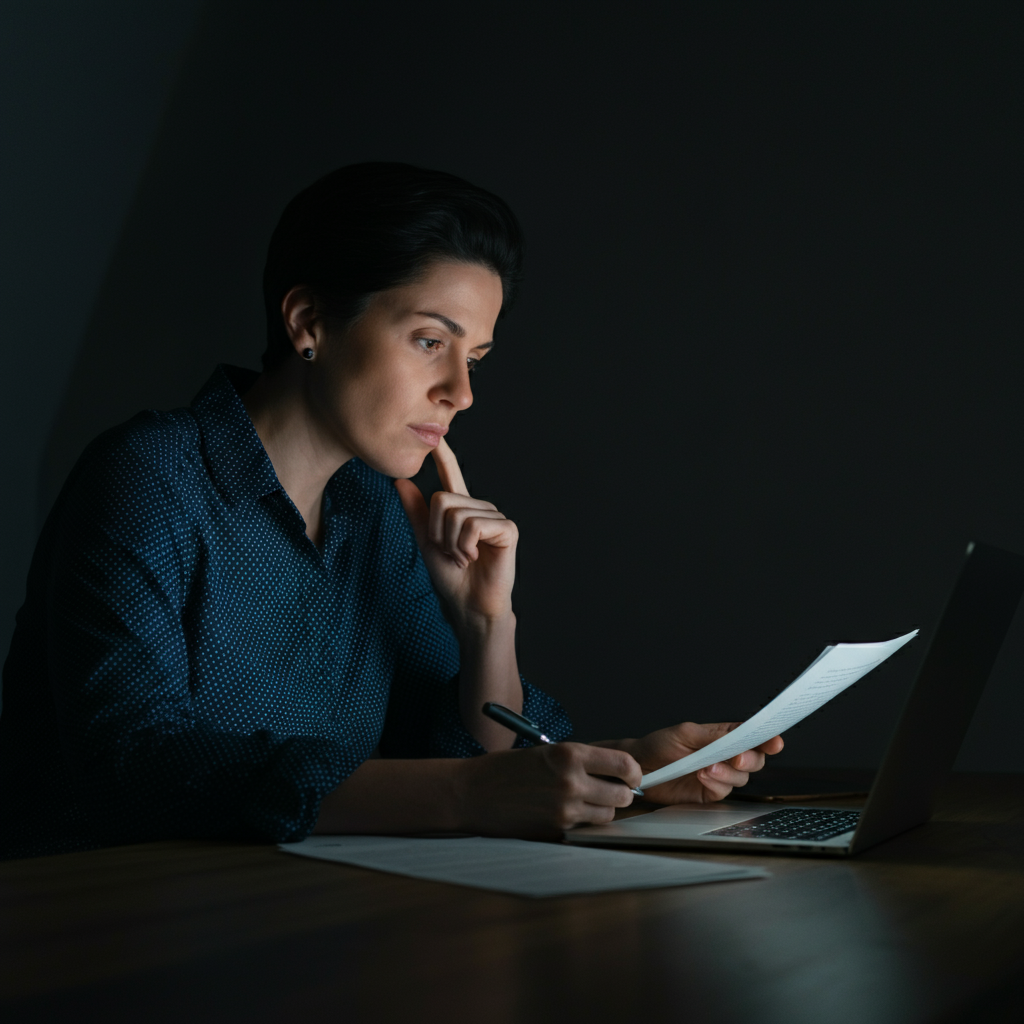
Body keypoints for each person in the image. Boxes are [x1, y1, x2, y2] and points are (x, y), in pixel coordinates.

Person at [0, 163, 782, 860]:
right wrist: (472, 796)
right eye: (428, 341)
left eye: (473, 358)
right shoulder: (151, 474)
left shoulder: (376, 509)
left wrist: (615, 749)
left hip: (298, 924)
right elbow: (132, 764)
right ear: (308, 322)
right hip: (98, 932)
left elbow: (468, 762)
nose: (462, 393)